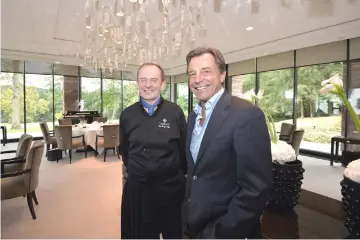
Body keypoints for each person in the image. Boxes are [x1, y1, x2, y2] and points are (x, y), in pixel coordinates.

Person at [182, 47, 272, 239]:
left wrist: (220, 233)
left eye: (206, 71)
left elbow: (256, 189)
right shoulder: (192, 118)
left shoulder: (246, 115)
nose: (198, 79)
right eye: (192, 74)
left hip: (225, 231)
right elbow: (195, 173)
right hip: (194, 226)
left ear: (222, 75)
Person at [120, 63, 187, 239]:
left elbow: (183, 151)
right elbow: (125, 151)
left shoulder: (175, 112)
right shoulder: (127, 115)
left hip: (171, 190)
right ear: (137, 83)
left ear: (162, 84)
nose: (148, 85)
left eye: (153, 80)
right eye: (143, 80)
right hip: (139, 192)